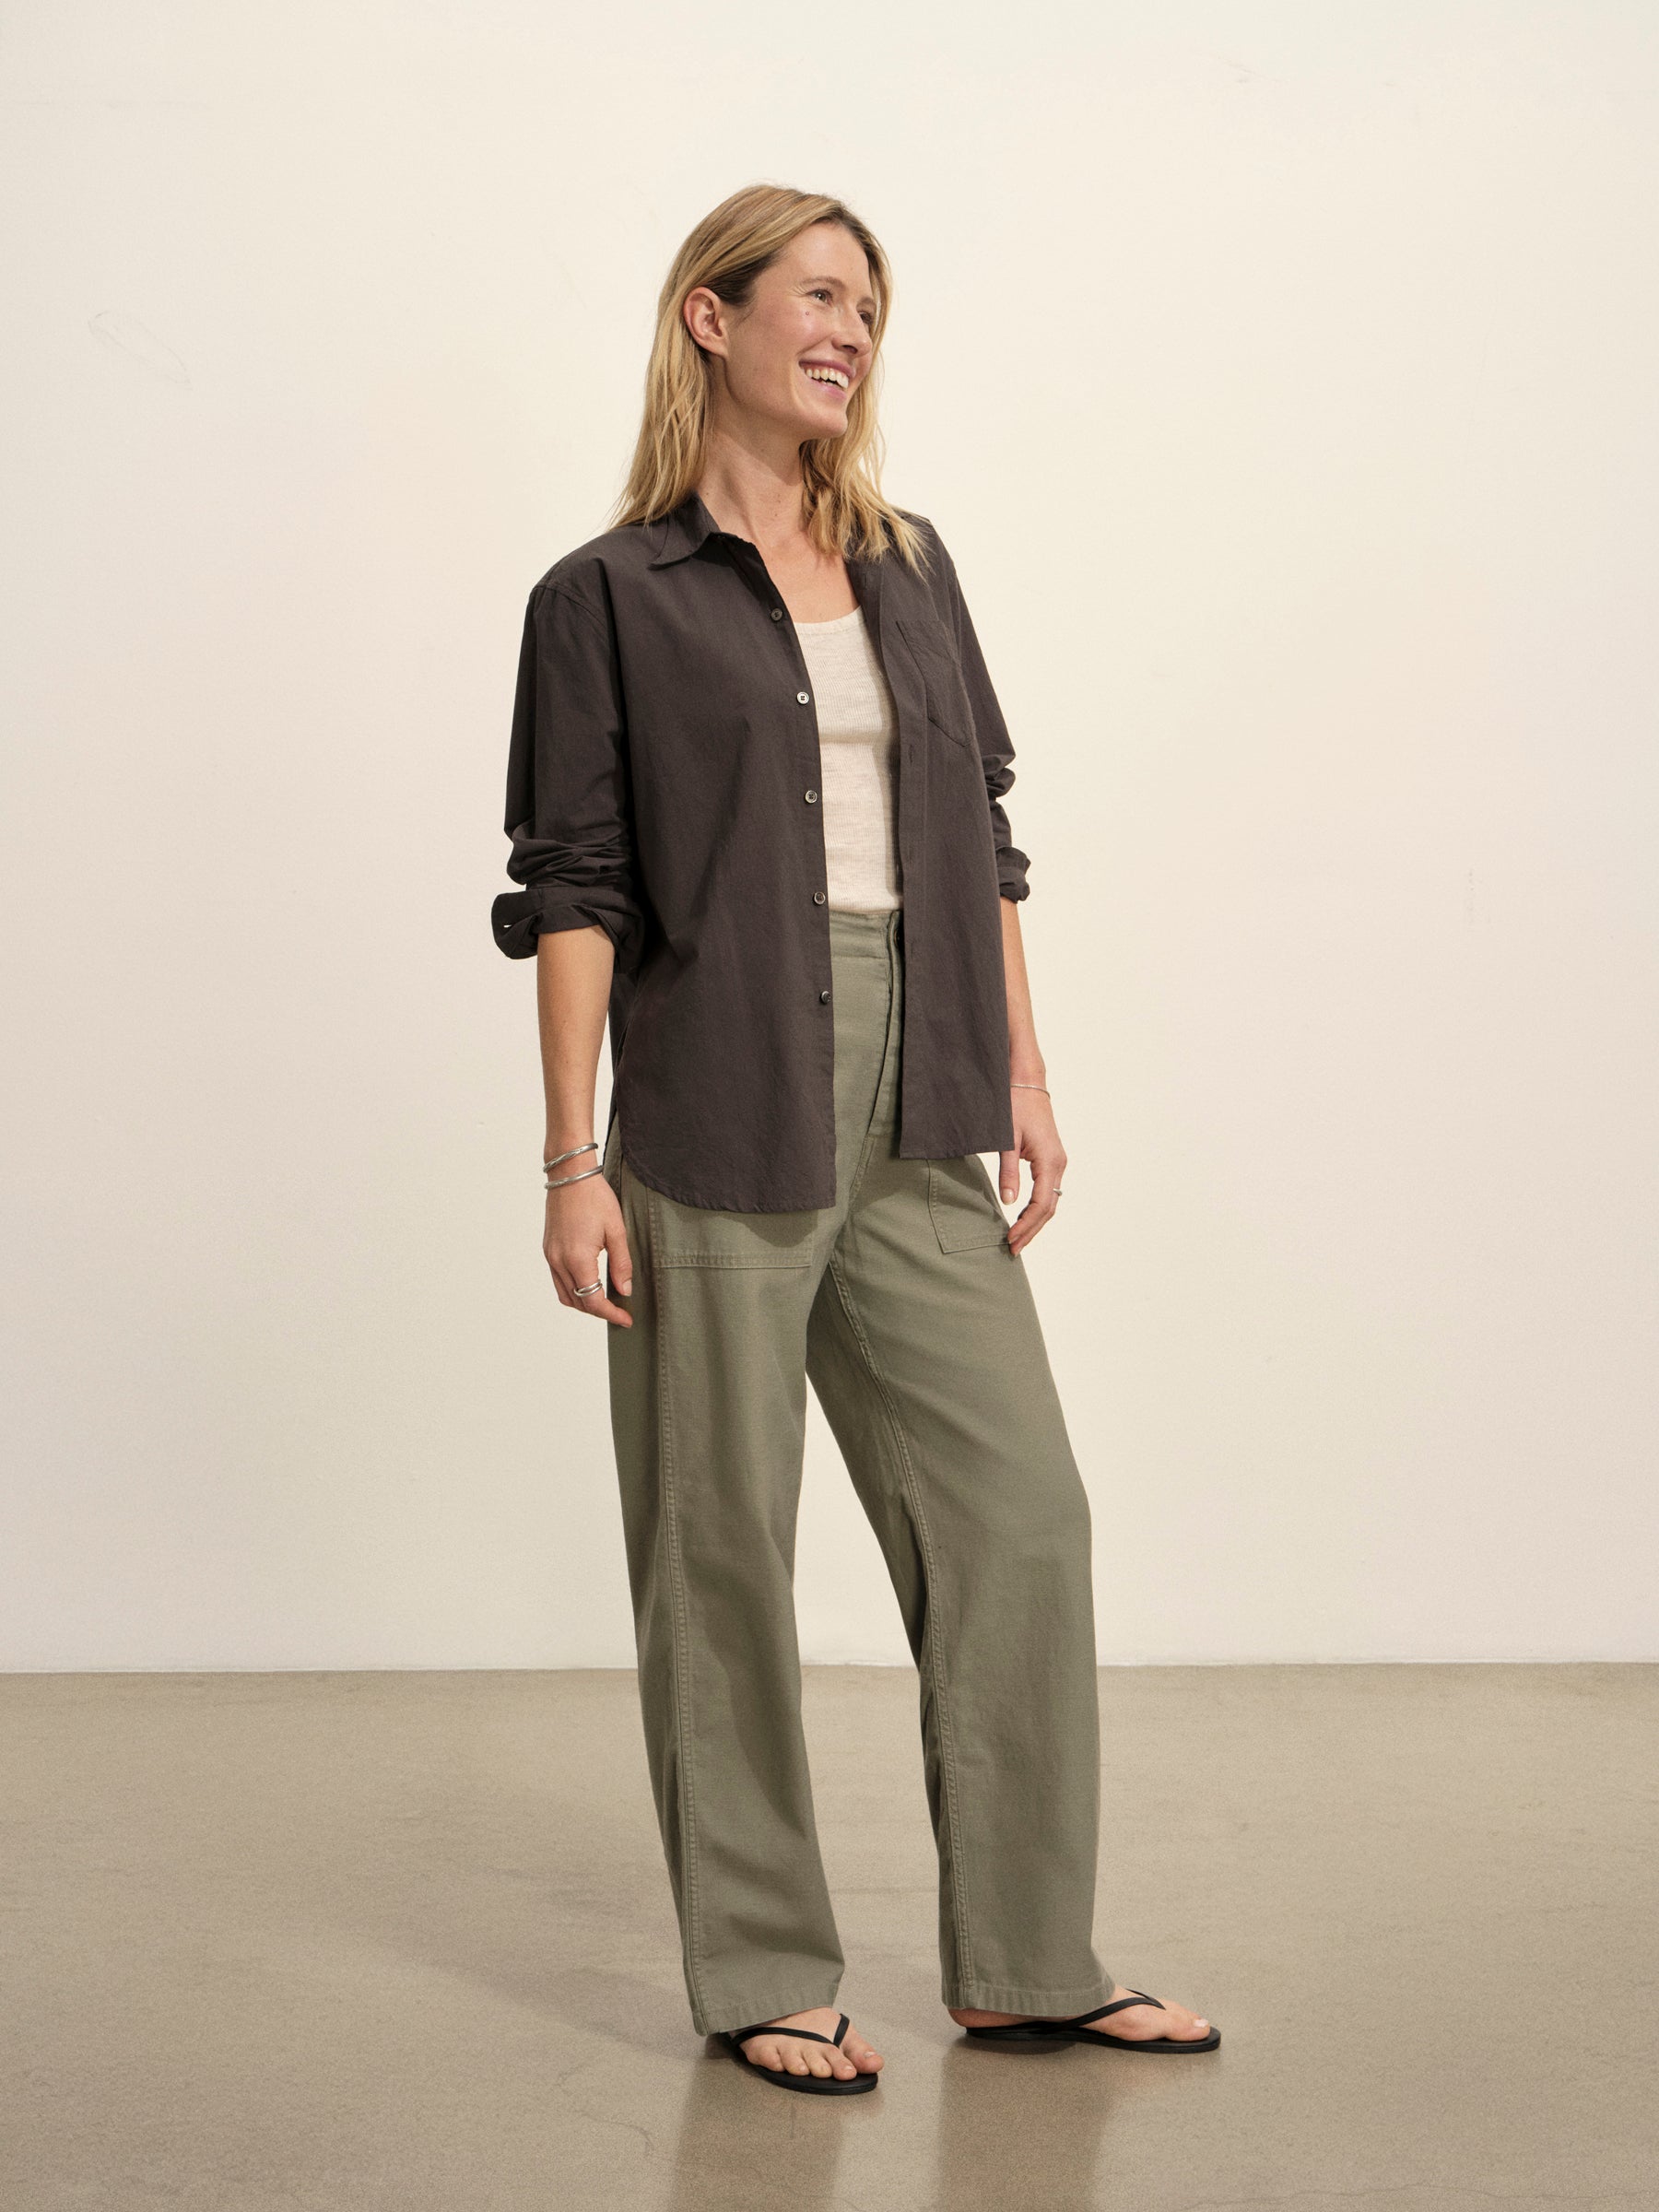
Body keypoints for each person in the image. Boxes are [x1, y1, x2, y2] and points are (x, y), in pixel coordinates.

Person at [490, 183, 1218, 2096]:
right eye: (819, 294)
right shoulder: (604, 598)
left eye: (871, 307)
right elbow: (573, 886)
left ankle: (1030, 1961)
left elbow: (983, 830)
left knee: (1020, 1513)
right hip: (717, 1084)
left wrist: (1025, 1075)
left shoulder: (909, 563)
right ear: (710, 316)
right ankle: (759, 1969)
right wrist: (571, 1160)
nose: (851, 330)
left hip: (922, 1084)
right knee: (720, 1543)